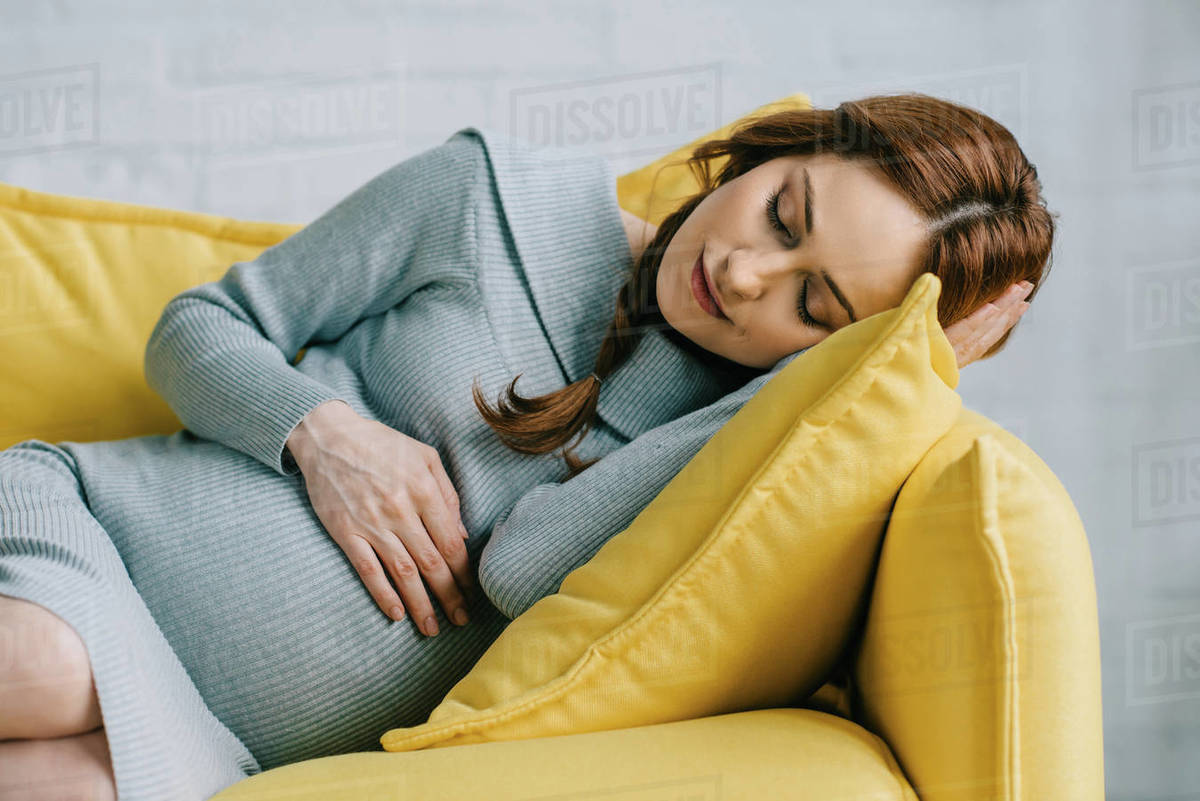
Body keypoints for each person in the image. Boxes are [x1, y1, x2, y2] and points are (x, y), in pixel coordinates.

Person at [0, 92, 1049, 801]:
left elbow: (522, 567)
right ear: (774, 151)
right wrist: (322, 435)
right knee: (45, 666)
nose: (744, 275)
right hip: (93, 538)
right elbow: (199, 325)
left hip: (212, 737)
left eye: (814, 306)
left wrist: (816, 386)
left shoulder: (730, 450)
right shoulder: (491, 195)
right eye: (782, 214)